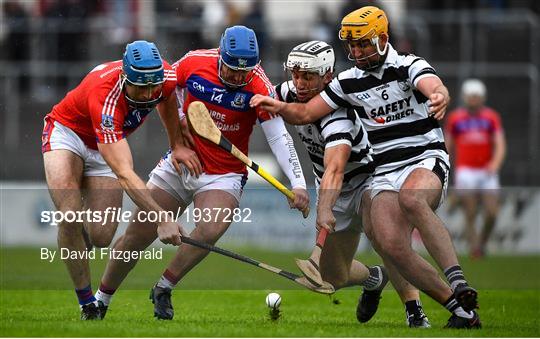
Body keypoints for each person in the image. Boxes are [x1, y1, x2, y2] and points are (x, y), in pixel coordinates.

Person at [250, 6, 481, 329]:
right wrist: (267, 104)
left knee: (409, 202)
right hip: (384, 174)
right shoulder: (344, 84)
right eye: (352, 46)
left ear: (383, 39)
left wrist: (440, 95)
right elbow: (301, 113)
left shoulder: (405, 66)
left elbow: (431, 85)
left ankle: (442, 292)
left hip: (408, 164)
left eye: (363, 44)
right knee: (376, 252)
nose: (356, 52)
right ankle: (451, 306)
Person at [94, 25, 310, 320]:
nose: (237, 77)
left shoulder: (259, 85)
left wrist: (298, 183)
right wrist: (180, 124)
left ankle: (163, 287)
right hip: (181, 162)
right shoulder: (194, 62)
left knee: (210, 228)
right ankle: (100, 300)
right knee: (135, 237)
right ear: (221, 55)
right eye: (232, 68)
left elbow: (278, 136)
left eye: (244, 72)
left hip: (225, 172)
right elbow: (165, 92)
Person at [41, 40, 197, 320]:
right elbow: (125, 173)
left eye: (154, 86)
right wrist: (162, 217)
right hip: (67, 134)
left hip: (104, 146)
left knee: (101, 237)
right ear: (125, 78)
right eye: (141, 86)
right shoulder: (105, 99)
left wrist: (177, 143)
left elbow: (167, 98)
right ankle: (88, 305)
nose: (149, 93)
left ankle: (77, 237)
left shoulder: (165, 78)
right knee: (70, 214)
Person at [279, 40, 429, 327]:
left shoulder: (337, 113)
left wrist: (324, 209)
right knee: (333, 277)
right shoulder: (291, 92)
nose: (299, 82)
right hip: (333, 187)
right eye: (295, 75)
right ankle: (375, 278)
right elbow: (264, 101)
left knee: (385, 239)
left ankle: (414, 310)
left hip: (367, 180)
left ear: (327, 76)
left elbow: (335, 169)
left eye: (307, 76)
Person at [445, 79, 506, 258]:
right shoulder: (455, 118)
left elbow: (500, 144)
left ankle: (482, 242)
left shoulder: (491, 117)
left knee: (492, 213)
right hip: (466, 172)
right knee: (470, 213)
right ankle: (475, 249)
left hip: (487, 172)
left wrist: (495, 163)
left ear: (482, 97)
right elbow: (448, 145)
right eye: (471, 96)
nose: (473, 100)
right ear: (465, 97)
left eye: (476, 96)